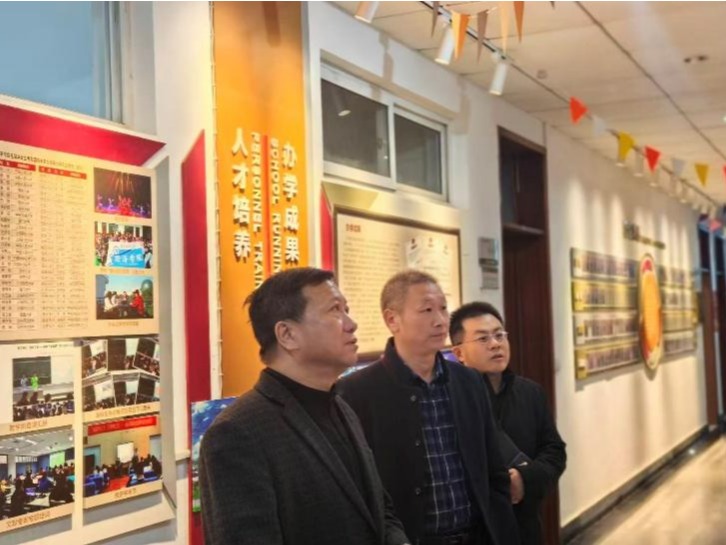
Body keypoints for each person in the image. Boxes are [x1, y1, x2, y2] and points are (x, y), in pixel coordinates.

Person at [200, 267, 410, 545]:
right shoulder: (237, 433)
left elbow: (379, 510)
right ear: (287, 334)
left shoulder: (342, 407)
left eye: (346, 309)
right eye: (335, 310)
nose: (351, 324)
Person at [337, 270, 520, 545]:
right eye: (426, 310)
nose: (440, 320)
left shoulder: (468, 380)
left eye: (443, 309)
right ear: (392, 320)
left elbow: (493, 468)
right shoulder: (356, 391)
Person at [449, 302, 566, 545]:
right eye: (483, 339)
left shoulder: (530, 392)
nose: (495, 344)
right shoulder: (450, 400)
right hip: (476, 533)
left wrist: (525, 479)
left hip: (524, 526)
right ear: (459, 353)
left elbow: (554, 451)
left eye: (499, 335)